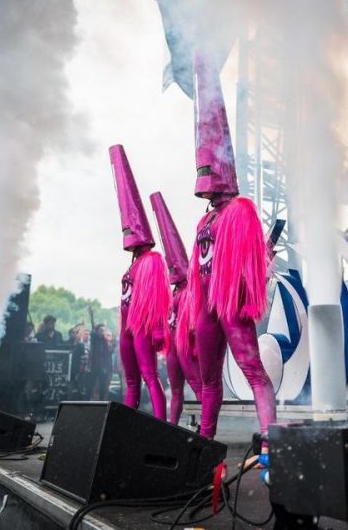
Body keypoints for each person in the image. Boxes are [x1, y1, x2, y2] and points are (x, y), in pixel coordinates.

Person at [185, 54, 275, 446]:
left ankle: (272, 440)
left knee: (252, 370)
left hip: (230, 306)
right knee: (208, 381)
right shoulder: (204, 221)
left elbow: (250, 264)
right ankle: (205, 442)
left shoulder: (240, 210)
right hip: (206, 307)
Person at [109, 144, 171, 416]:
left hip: (143, 327)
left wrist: (157, 329)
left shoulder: (153, 260)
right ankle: (125, 424)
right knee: (131, 380)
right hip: (127, 329)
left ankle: (160, 422)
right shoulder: (134, 264)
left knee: (148, 375)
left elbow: (158, 298)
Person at [150, 191, 202, 425]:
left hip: (186, 347)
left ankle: (206, 427)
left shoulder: (190, 291)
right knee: (176, 390)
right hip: (173, 349)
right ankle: (170, 427)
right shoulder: (173, 293)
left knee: (200, 387)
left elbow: (193, 322)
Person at [90, 323, 114, 400]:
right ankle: (94, 401)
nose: (102, 332)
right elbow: (92, 332)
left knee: (103, 387)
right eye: (100, 330)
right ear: (97, 331)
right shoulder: (95, 340)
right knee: (94, 386)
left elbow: (109, 354)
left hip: (104, 368)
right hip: (94, 367)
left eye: (103, 330)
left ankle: (101, 401)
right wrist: (92, 316)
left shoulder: (106, 342)